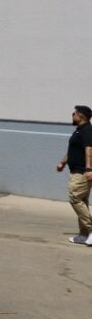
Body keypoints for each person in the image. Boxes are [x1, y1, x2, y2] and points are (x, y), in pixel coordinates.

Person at [56, 105, 92, 245]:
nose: (72, 116)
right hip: (77, 171)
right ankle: (83, 235)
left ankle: (90, 230)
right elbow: (73, 151)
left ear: (81, 116)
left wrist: (89, 169)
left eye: (74, 113)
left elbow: (89, 150)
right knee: (82, 201)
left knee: (75, 198)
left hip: (82, 172)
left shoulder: (87, 131)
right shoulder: (80, 130)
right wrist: (63, 162)